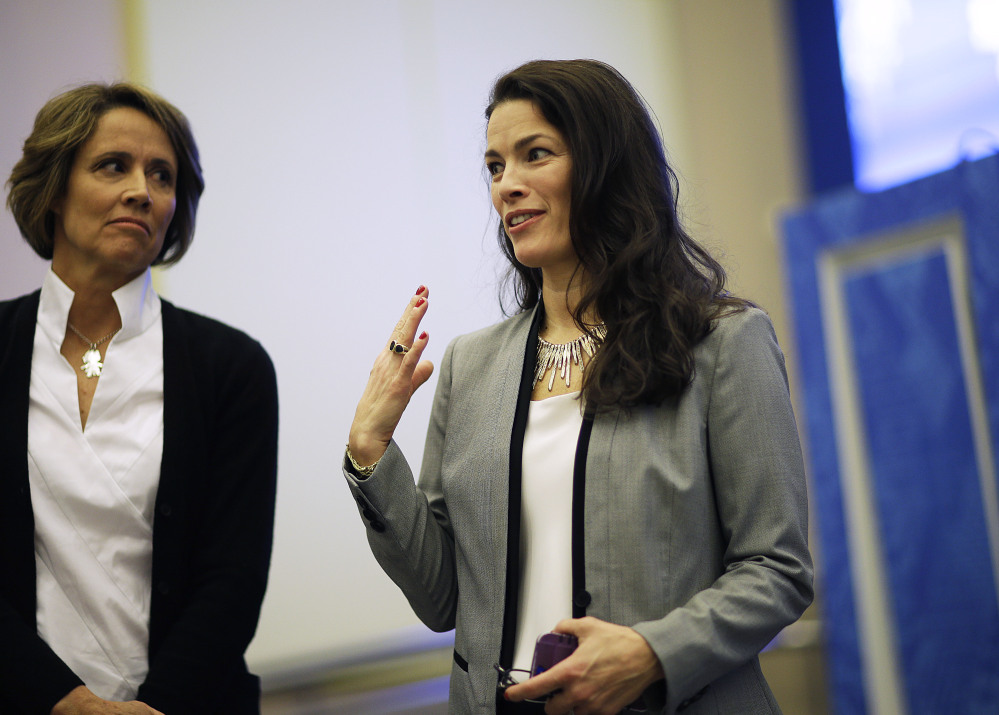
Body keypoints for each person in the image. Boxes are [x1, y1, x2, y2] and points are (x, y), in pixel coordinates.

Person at [343, 59, 812, 715]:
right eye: (494, 166)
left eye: (534, 154)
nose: (506, 185)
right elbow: (443, 598)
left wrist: (652, 652)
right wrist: (370, 448)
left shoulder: (723, 342)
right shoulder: (468, 365)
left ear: (603, 166)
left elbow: (776, 570)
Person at [0, 82, 278, 714]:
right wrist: (64, 701)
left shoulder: (231, 367)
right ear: (54, 186)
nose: (140, 190)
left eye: (161, 175)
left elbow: (231, 582)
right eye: (112, 166)